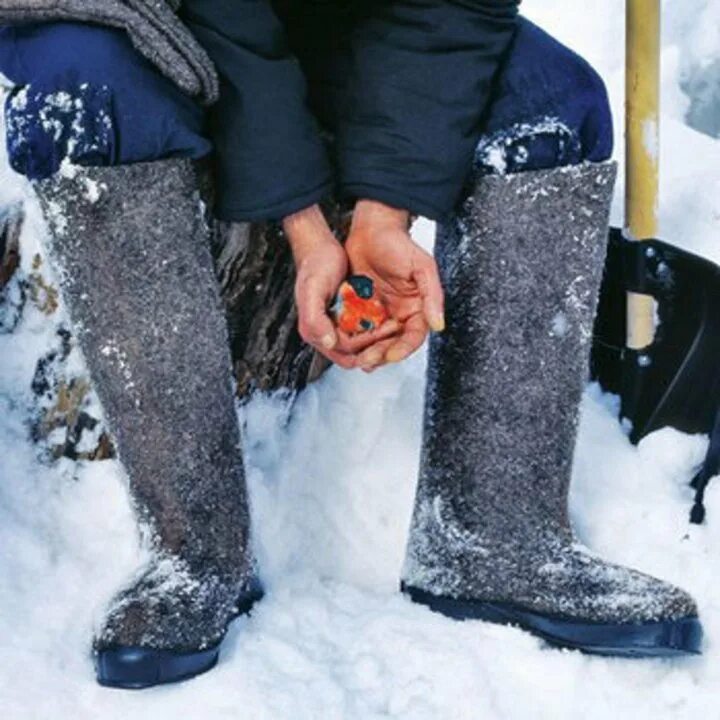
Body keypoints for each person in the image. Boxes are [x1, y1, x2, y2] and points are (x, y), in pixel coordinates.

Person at [0, 0, 702, 690]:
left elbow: (454, 12)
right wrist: (304, 225)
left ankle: (490, 539)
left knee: (550, 104)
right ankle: (195, 551)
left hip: (340, 18)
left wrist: (382, 215)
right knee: (86, 90)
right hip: (144, 15)